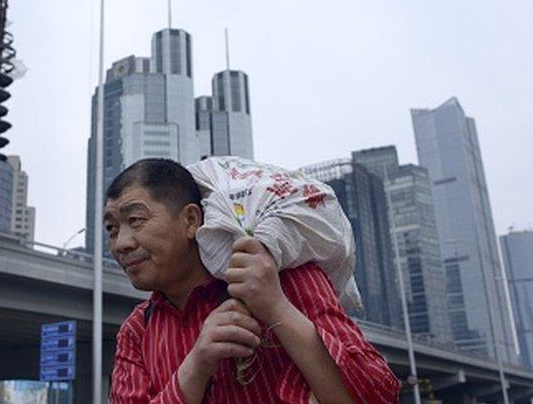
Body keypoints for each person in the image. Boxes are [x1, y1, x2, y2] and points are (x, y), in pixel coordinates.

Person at [106, 158, 400, 403]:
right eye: (111, 229)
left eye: (135, 221)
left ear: (191, 220)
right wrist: (196, 365)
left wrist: (276, 308)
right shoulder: (137, 330)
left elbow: (378, 395)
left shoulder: (284, 278)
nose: (122, 243)